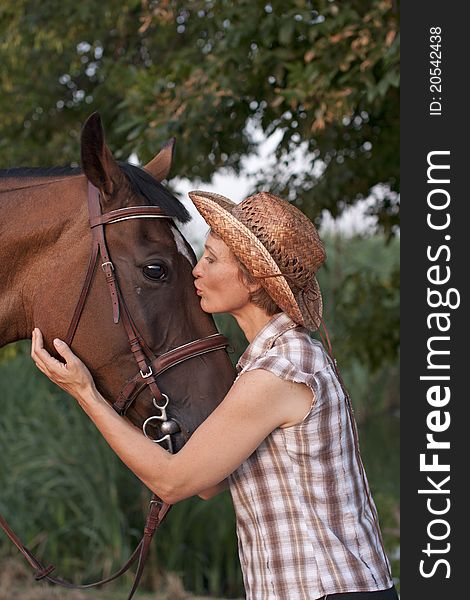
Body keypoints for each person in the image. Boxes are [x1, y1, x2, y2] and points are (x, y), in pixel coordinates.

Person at [31, 190, 398, 600]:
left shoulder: (279, 371)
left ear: (254, 277)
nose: (196, 272)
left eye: (211, 259)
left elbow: (173, 483)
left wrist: (86, 393)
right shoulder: (276, 360)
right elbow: (209, 483)